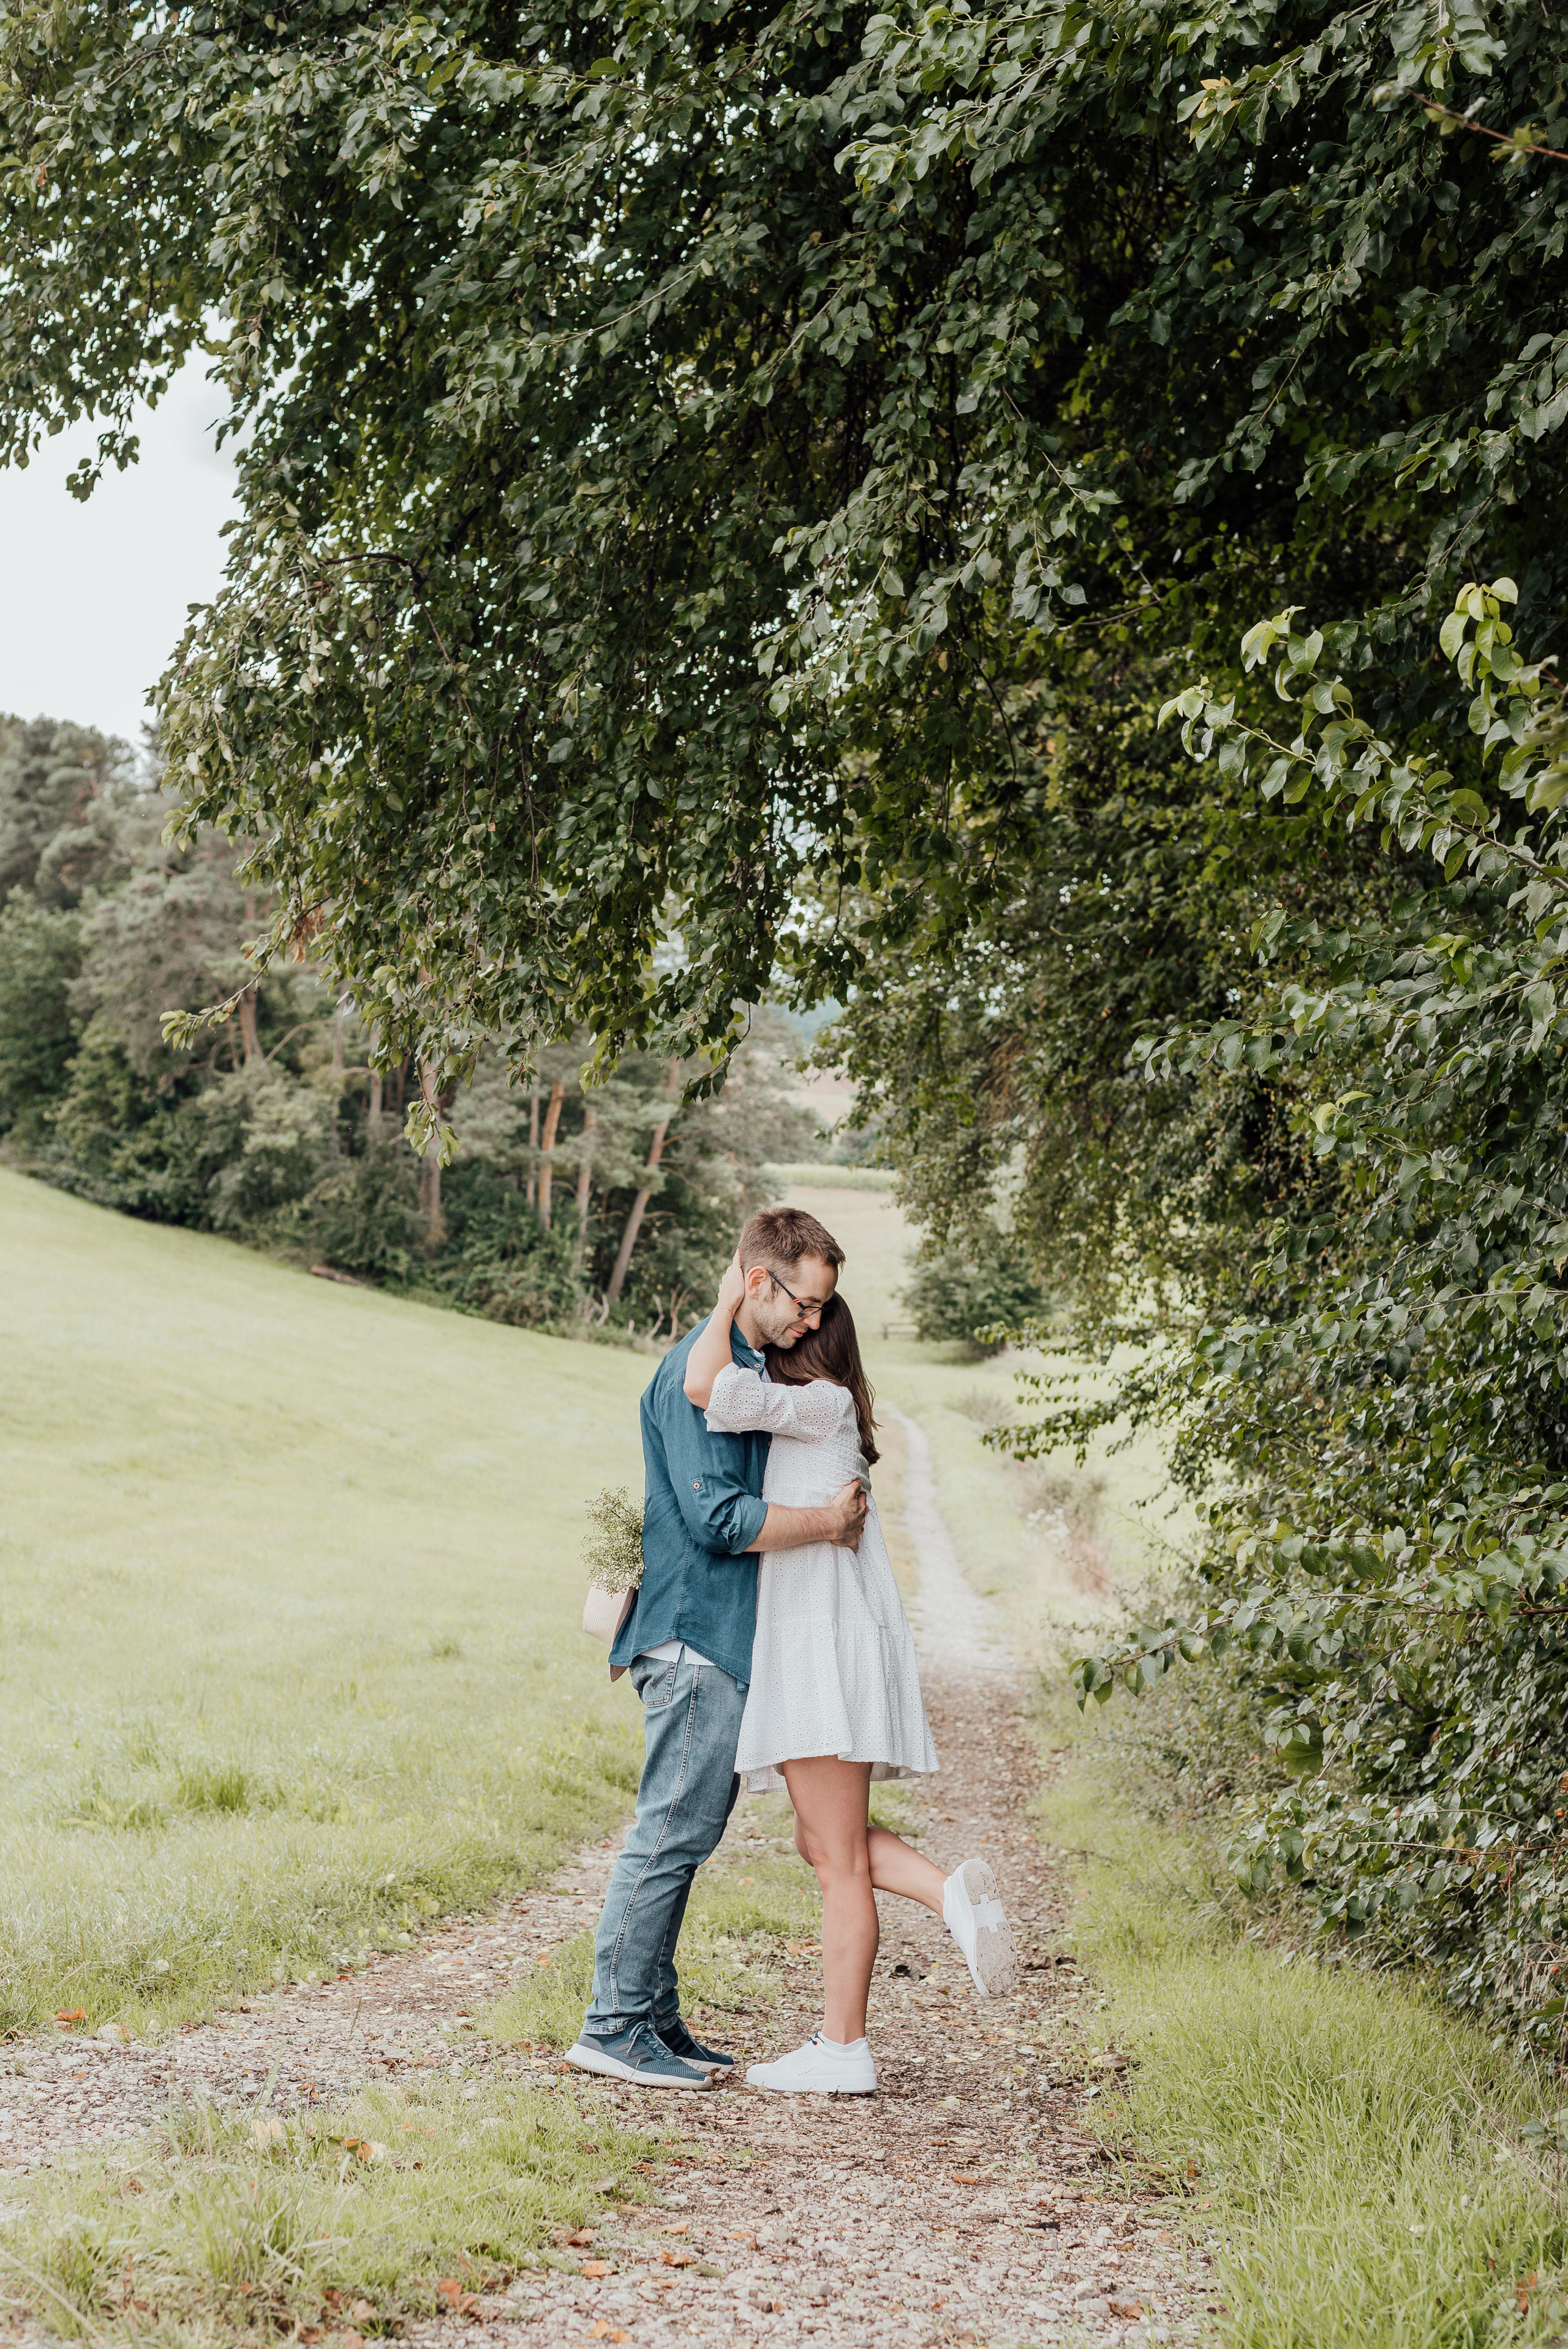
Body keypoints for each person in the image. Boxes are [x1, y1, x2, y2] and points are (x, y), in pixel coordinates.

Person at [682, 1257, 1019, 2097]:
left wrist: (733, 1292)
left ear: (815, 1343)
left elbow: (707, 1387)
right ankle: (949, 1899)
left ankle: (844, 2046)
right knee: (819, 1841)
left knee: (834, 1857)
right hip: (825, 1640)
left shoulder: (818, 1405)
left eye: (808, 1316)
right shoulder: (823, 1416)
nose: (796, 1323)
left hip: (820, 1646)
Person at [566, 1207, 867, 2091]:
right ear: (759, 1280)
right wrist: (830, 1523)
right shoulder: (696, 1376)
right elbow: (717, 1518)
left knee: (689, 1833)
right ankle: (612, 2023)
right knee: (669, 1833)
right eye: (804, 1305)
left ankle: (652, 2017)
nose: (812, 1324)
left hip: (719, 1642)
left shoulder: (736, 1369)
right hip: (695, 1637)